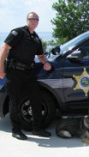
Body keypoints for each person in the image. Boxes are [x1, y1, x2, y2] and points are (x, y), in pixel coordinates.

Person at [0, 12, 52, 140]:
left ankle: (37, 128)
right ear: (27, 20)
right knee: (14, 101)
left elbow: (40, 56)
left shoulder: (36, 38)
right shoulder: (18, 33)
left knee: (36, 99)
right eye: (31, 19)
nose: (34, 21)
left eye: (36, 19)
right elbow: (4, 49)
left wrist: (46, 63)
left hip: (28, 73)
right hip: (14, 72)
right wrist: (1, 69)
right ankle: (16, 130)